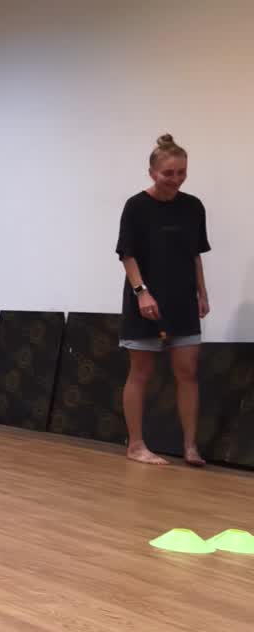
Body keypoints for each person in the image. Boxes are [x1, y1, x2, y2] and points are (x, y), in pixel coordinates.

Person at [116, 133, 211, 466]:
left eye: (181, 172)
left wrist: (202, 292)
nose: (176, 179)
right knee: (140, 373)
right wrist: (142, 292)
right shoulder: (136, 206)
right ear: (152, 172)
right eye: (168, 173)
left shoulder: (193, 206)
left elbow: (196, 255)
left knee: (187, 372)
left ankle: (190, 447)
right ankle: (136, 445)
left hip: (183, 301)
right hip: (146, 301)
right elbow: (127, 255)